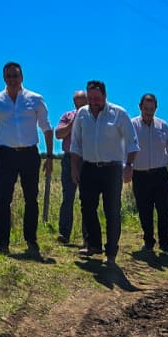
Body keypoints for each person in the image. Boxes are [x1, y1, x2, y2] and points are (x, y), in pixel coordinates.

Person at [0, 61, 53, 257]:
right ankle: (3, 243)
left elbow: (47, 128)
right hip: (6, 154)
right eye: (9, 76)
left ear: (22, 77)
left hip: (30, 154)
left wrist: (49, 156)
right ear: (4, 78)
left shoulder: (35, 99)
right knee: (3, 199)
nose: (12, 79)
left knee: (31, 198)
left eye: (16, 75)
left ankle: (31, 240)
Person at [67, 79, 138, 265]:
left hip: (112, 169)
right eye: (90, 98)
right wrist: (75, 168)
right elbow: (76, 144)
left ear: (105, 96)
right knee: (87, 207)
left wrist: (129, 166)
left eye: (97, 98)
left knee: (112, 210)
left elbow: (132, 143)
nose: (93, 102)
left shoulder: (119, 114)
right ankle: (94, 245)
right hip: (89, 167)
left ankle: (111, 252)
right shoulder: (81, 115)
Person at [132, 93, 168, 256]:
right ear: (140, 107)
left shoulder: (163, 126)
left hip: (160, 174)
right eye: (146, 109)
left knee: (164, 209)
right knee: (144, 210)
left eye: (151, 109)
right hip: (140, 175)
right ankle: (148, 241)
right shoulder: (132, 125)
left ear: (156, 109)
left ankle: (165, 243)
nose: (148, 112)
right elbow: (123, 149)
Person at [54, 89, 87, 246]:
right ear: (74, 103)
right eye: (77, 103)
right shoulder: (67, 116)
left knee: (87, 199)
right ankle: (64, 233)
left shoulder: (94, 117)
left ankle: (88, 237)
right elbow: (58, 134)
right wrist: (72, 123)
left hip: (88, 161)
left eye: (83, 103)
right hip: (69, 160)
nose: (80, 106)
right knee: (68, 197)